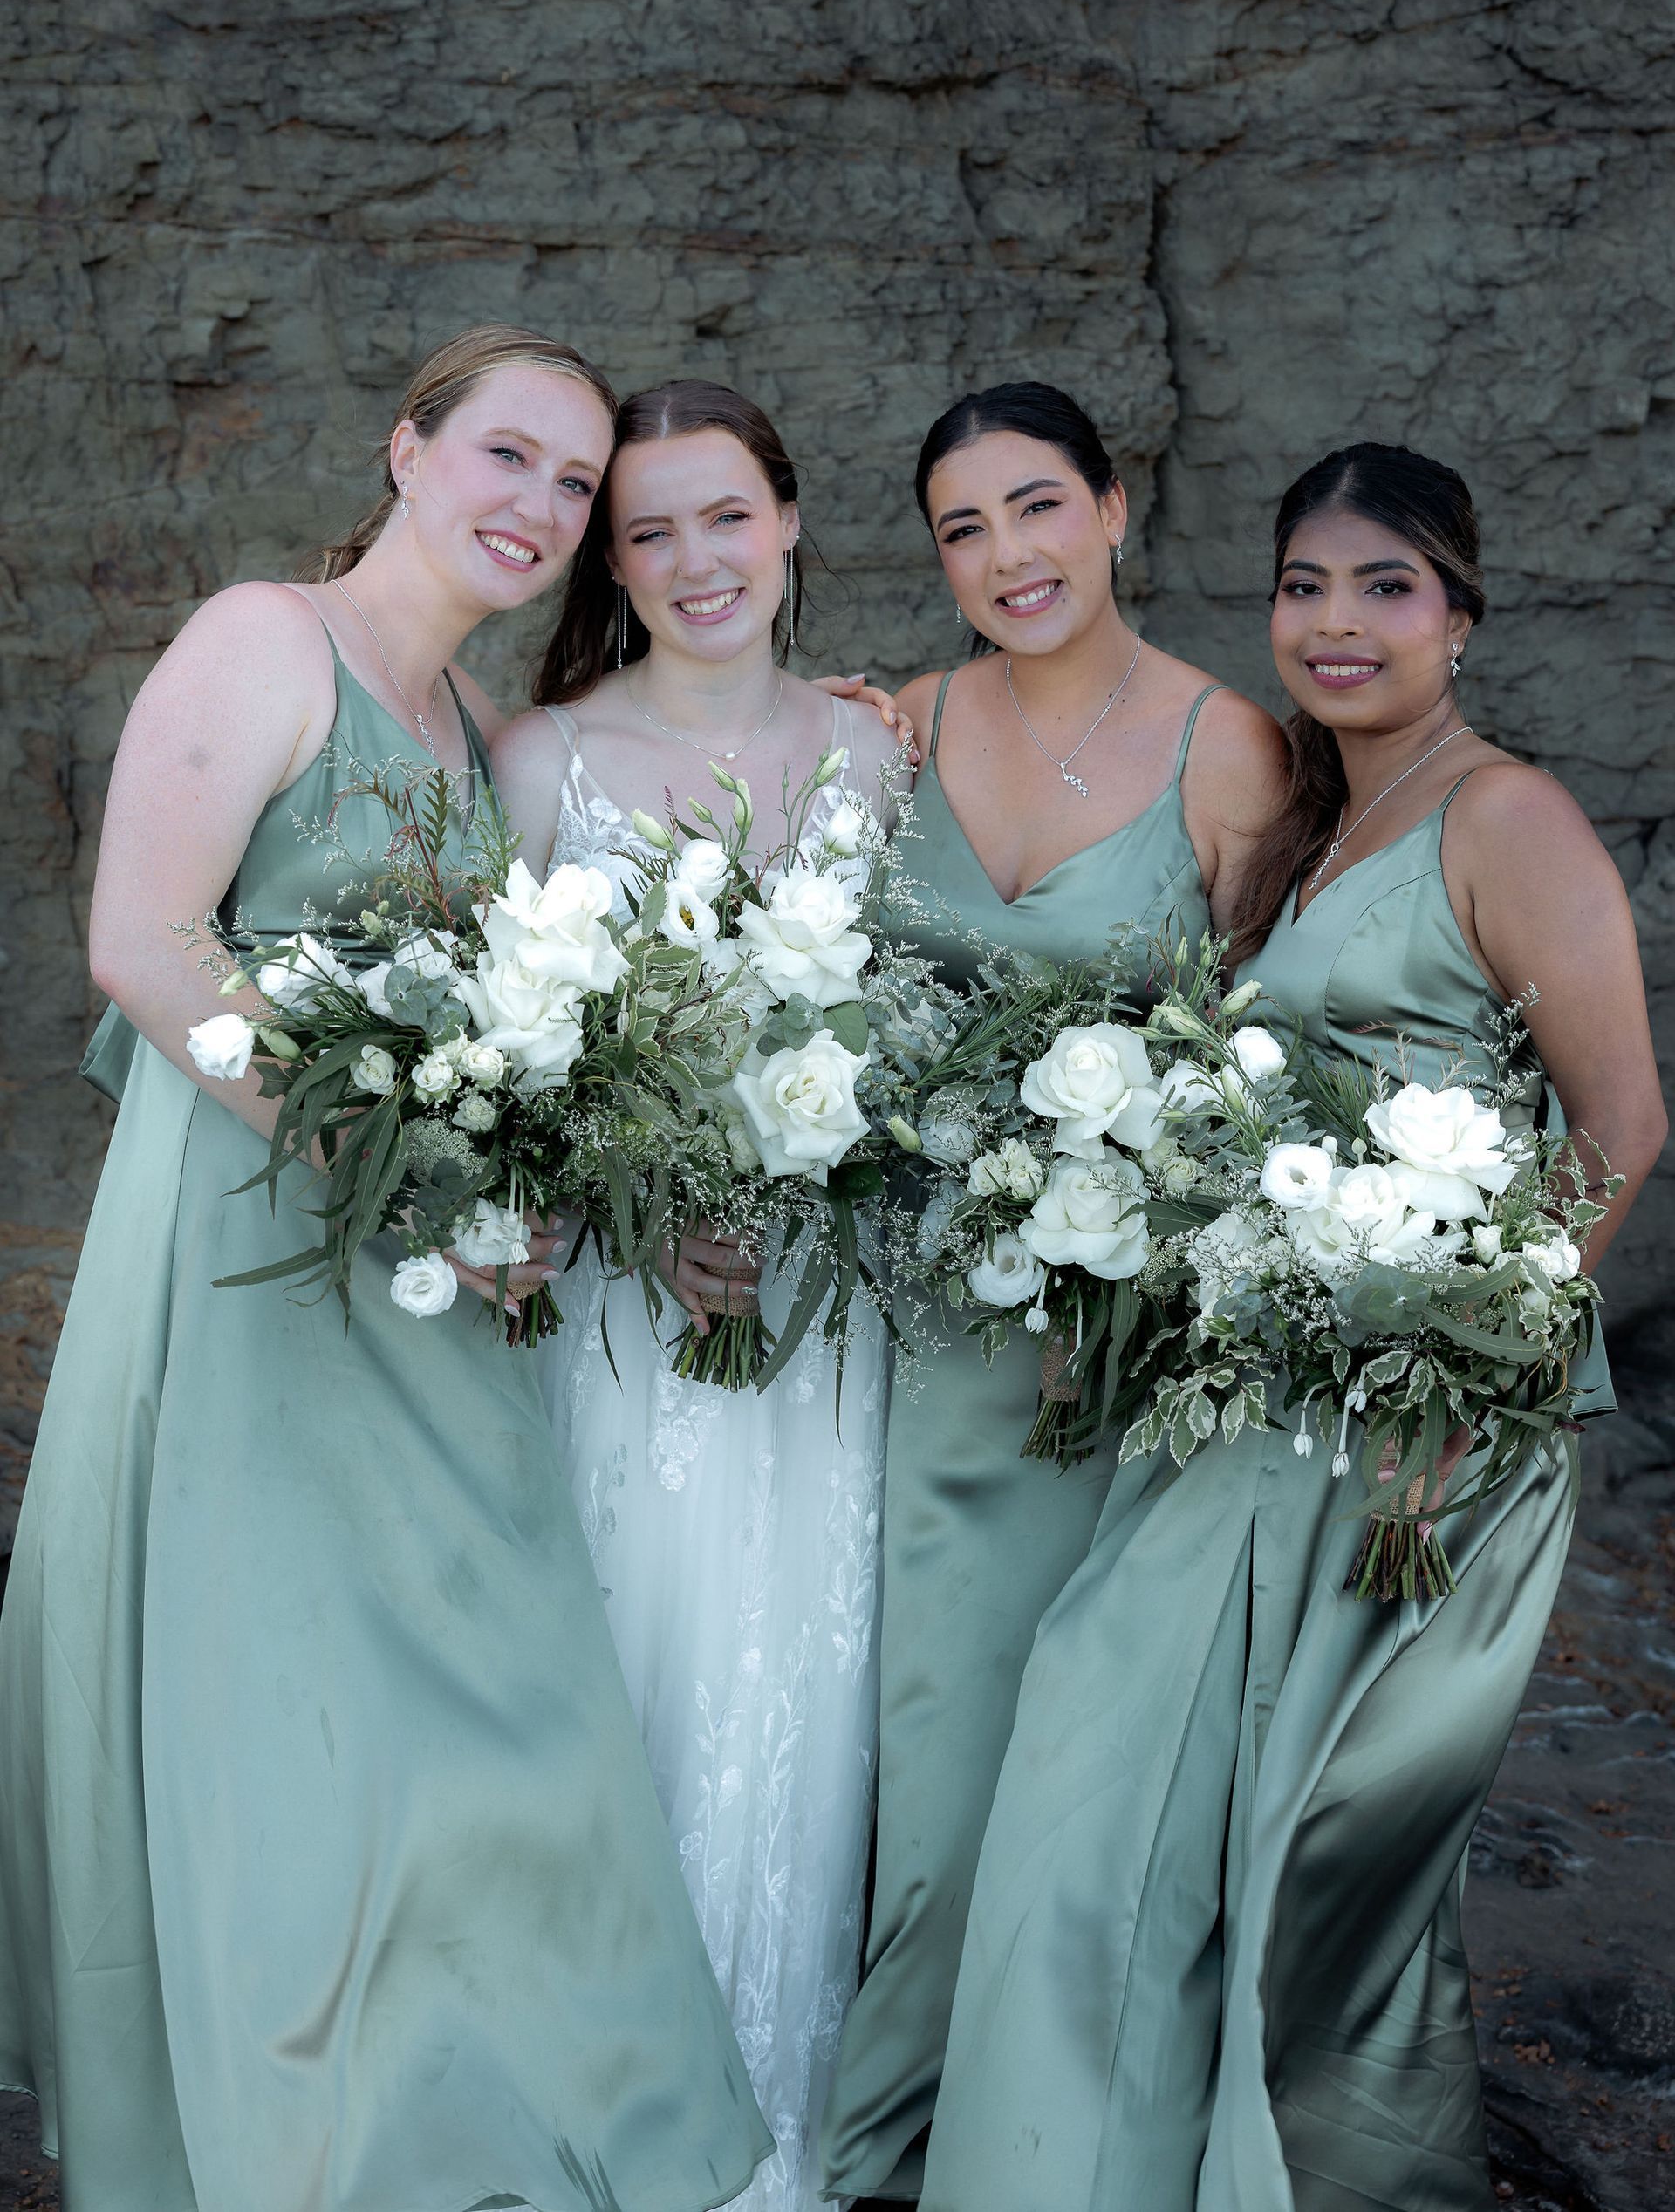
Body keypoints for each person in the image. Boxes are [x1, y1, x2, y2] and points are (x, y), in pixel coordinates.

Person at [0, 327, 778, 2212]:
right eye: (506, 456)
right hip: (260, 1257)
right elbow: (145, 944)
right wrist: (398, 1169)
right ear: (407, 447)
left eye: (573, 484)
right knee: (275, 1693)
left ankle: (471, 2107)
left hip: (425, 1277)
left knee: (469, 1688)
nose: (538, 506)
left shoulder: (458, 732)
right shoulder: (268, 641)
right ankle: (285, 2137)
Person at [915, 442, 1666, 2212]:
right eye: (1305, 585)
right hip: (1249, 1406)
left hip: (1420, 1437)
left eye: (1384, 584)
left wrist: (1458, 1369)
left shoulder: (1508, 818)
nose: (1337, 623)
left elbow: (1619, 1130)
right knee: (1107, 1792)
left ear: (1460, 615)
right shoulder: (1328, 823)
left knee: (1327, 1872)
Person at [819, 381, 1288, 2203]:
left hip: (1105, 1346)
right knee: (893, 1771)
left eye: (1034, 507)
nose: (1004, 554)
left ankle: (1018, 2141)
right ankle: (869, 2129)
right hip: (898, 1328)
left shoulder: (1226, 748)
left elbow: (1264, 1056)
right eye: (960, 528)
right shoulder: (899, 727)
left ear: (1112, 506)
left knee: (1049, 1765)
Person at [491, 379, 905, 2212]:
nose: (691, 560)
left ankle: (773, 2137)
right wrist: (639, 1199)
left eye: (723, 515)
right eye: (646, 530)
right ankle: (597, 2119)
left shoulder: (888, 752)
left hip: (822, 1321)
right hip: (622, 1322)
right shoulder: (541, 762)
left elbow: (923, 1035)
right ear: (611, 556)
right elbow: (509, 1059)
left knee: (801, 1705)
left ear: (791, 520)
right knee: (623, 1678)